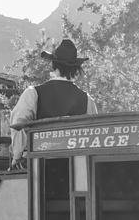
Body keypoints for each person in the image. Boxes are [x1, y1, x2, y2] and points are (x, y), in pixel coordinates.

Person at [9, 38, 98, 169]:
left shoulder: (33, 94)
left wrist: (16, 158)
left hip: (39, 167)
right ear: (75, 69)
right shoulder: (87, 100)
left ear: (53, 65)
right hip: (76, 168)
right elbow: (93, 135)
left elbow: (18, 126)